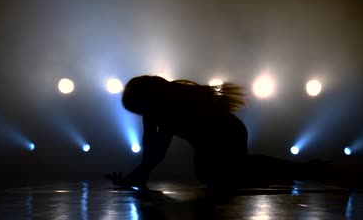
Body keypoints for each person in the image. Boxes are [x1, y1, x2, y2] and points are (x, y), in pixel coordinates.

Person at [105, 75, 339, 192]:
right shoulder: (153, 110)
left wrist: (138, 175)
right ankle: (294, 172)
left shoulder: (171, 106)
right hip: (210, 140)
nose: (141, 114)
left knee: (227, 173)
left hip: (227, 133)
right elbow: (150, 144)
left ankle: (305, 170)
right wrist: (137, 175)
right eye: (137, 111)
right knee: (219, 177)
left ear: (149, 97)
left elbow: (158, 151)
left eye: (139, 108)